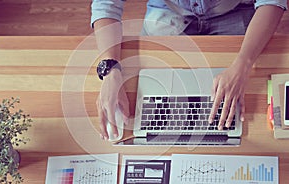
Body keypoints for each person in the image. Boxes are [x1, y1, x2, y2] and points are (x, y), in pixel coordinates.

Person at [91, 0, 287, 140]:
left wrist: (244, 64)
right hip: (168, 12)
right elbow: (106, 5)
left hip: (234, 12)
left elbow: (273, 1)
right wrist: (110, 70)